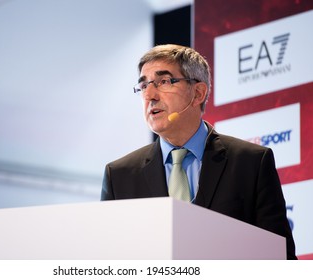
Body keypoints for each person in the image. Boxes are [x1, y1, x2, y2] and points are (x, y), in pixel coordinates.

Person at [101, 44, 296, 260]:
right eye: (144, 85)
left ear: (198, 93)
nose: (150, 95)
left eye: (163, 81)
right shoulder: (119, 176)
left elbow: (281, 259)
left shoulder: (251, 163)